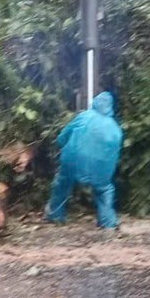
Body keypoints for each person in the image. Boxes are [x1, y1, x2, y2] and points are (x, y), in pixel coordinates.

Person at [45, 91, 124, 229]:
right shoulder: (115, 128)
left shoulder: (84, 116)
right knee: (104, 190)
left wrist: (60, 143)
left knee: (62, 184)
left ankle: (55, 215)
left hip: (74, 160)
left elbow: (64, 135)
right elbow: (115, 153)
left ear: (95, 102)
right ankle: (108, 223)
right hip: (101, 167)